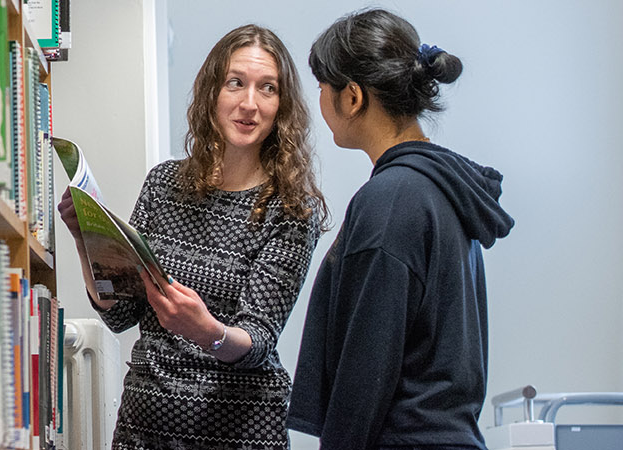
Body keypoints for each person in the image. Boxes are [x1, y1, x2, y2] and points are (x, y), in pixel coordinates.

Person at [57, 24, 326, 449]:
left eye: (267, 89)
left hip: (241, 433)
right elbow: (119, 313)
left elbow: (256, 341)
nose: (249, 104)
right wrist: (84, 239)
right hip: (144, 428)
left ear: (283, 106)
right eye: (235, 83)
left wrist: (206, 330)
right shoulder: (164, 184)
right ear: (211, 93)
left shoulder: (292, 209)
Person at [286, 9, 514, 450]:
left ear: (352, 97)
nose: (320, 101)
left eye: (322, 87)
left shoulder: (390, 201)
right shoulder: (443, 189)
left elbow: (366, 371)